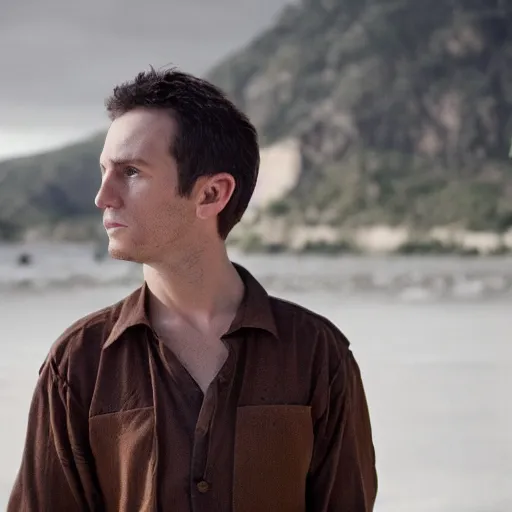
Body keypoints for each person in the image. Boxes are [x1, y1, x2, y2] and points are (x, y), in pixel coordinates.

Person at [7, 68, 377, 512]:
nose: (102, 196)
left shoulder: (317, 354)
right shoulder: (79, 362)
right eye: (104, 171)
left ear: (211, 194)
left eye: (131, 172)